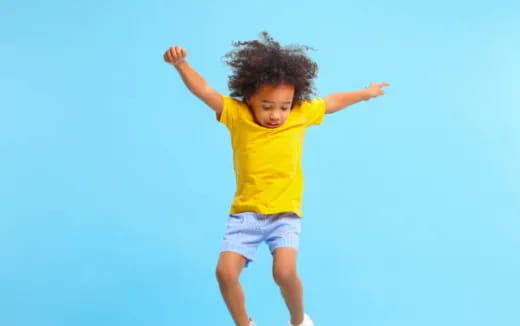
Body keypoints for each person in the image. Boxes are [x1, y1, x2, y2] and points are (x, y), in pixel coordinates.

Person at [163, 32, 389, 326]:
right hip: (245, 214)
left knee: (283, 274)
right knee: (225, 273)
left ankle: (298, 321)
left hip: (284, 213)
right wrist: (181, 65)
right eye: (267, 106)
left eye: (284, 106)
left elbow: (332, 102)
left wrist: (366, 93)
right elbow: (205, 91)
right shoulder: (236, 114)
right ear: (249, 99)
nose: (276, 114)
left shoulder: (300, 114)